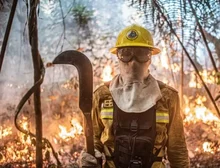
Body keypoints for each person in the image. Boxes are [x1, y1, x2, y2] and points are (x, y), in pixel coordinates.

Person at [80, 24, 190, 168]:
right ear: (118, 57)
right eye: (126, 54)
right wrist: (90, 155)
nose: (133, 62)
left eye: (141, 54)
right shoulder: (101, 95)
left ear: (150, 58)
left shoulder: (168, 97)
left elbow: (177, 149)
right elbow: (94, 140)